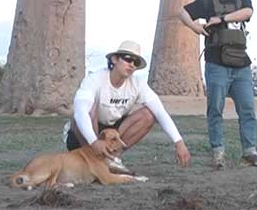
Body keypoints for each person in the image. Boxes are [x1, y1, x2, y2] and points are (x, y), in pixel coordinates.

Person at [178, 0, 257, 169]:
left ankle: (250, 152)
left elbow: (248, 12)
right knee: (215, 109)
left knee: (247, 109)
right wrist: (194, 27)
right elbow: (182, 12)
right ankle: (218, 153)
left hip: (241, 64)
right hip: (216, 64)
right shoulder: (207, 2)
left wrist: (220, 19)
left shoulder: (243, 0)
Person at [64, 40, 191, 175]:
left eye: (135, 62)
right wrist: (94, 142)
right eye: (128, 59)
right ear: (114, 59)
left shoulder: (137, 84)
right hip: (83, 136)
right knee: (88, 108)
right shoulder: (95, 79)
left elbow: (160, 112)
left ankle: (112, 159)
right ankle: (94, 159)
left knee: (148, 115)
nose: (131, 64)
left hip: (113, 132)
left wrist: (179, 142)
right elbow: (80, 112)